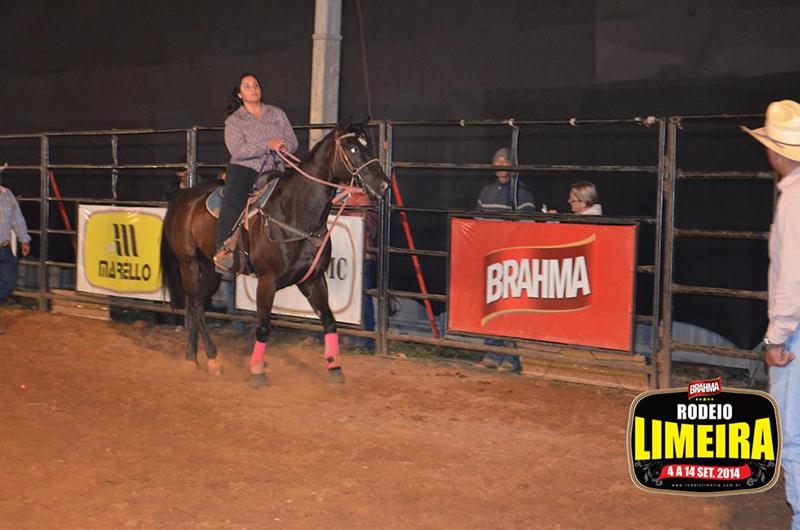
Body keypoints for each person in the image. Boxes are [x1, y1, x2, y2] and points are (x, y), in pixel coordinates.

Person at [743, 99, 800, 528]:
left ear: (775, 151)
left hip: (797, 331)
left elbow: (792, 277)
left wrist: (775, 338)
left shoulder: (794, 201)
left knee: (794, 436)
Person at [214, 72, 298, 273]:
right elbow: (237, 150)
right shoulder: (234, 121)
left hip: (275, 169)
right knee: (233, 200)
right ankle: (224, 251)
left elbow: (293, 141)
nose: (253, 89)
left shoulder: (277, 114)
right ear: (239, 95)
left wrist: (284, 148)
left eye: (256, 85)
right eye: (247, 86)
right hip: (245, 169)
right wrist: (267, 144)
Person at [475, 147, 534, 373]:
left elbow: (527, 224)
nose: (501, 165)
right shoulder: (486, 191)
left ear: (512, 165)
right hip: (490, 256)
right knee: (491, 306)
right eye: (497, 160)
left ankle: (511, 357)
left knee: (509, 307)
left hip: (510, 257)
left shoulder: (522, 191)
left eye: (505, 161)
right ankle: (491, 353)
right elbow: (478, 221)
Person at [0, 164, 31, 332]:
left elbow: (16, 218)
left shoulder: (8, 195)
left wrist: (24, 240)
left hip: (4, 246)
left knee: (10, 282)